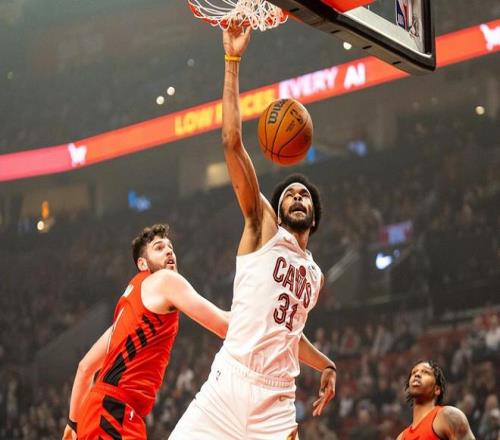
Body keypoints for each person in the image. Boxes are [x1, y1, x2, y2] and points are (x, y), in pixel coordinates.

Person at [170, 25, 336, 439]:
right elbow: (231, 142)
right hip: (229, 382)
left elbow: (289, 334)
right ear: (275, 211)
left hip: (276, 400)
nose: (297, 197)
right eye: (289, 194)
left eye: (304, 195)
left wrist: (326, 363)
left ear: (314, 217)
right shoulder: (263, 229)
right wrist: (232, 61)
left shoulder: (315, 277)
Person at [62, 224, 229, 440]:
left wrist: (73, 423)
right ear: (142, 263)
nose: (169, 251)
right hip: (113, 412)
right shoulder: (165, 280)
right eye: (159, 248)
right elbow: (224, 325)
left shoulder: (130, 314)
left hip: (103, 412)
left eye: (170, 247)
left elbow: (85, 368)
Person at [397, 360, 476, 440]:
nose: (417, 375)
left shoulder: (449, 416)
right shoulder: (401, 437)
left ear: (437, 389)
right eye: (414, 372)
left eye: (425, 372)